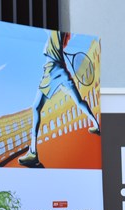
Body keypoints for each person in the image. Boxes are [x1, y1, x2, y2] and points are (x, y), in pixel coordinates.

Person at [18, 31, 100, 168]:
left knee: (36, 108)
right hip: (62, 70)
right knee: (79, 101)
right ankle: (96, 125)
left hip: (51, 70)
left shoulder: (55, 32)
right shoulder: (57, 39)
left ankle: (33, 153)